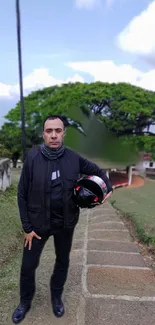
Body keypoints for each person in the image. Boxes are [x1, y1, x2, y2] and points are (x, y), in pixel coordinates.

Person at [12, 114, 113, 324]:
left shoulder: (73, 158)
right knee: (28, 266)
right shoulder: (32, 158)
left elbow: (98, 172)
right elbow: (21, 193)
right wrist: (26, 226)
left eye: (58, 131)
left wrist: (107, 189)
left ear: (64, 133)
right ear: (43, 134)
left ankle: (56, 297)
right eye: (49, 131)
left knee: (62, 261)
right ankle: (24, 302)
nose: (54, 135)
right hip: (37, 226)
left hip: (65, 224)